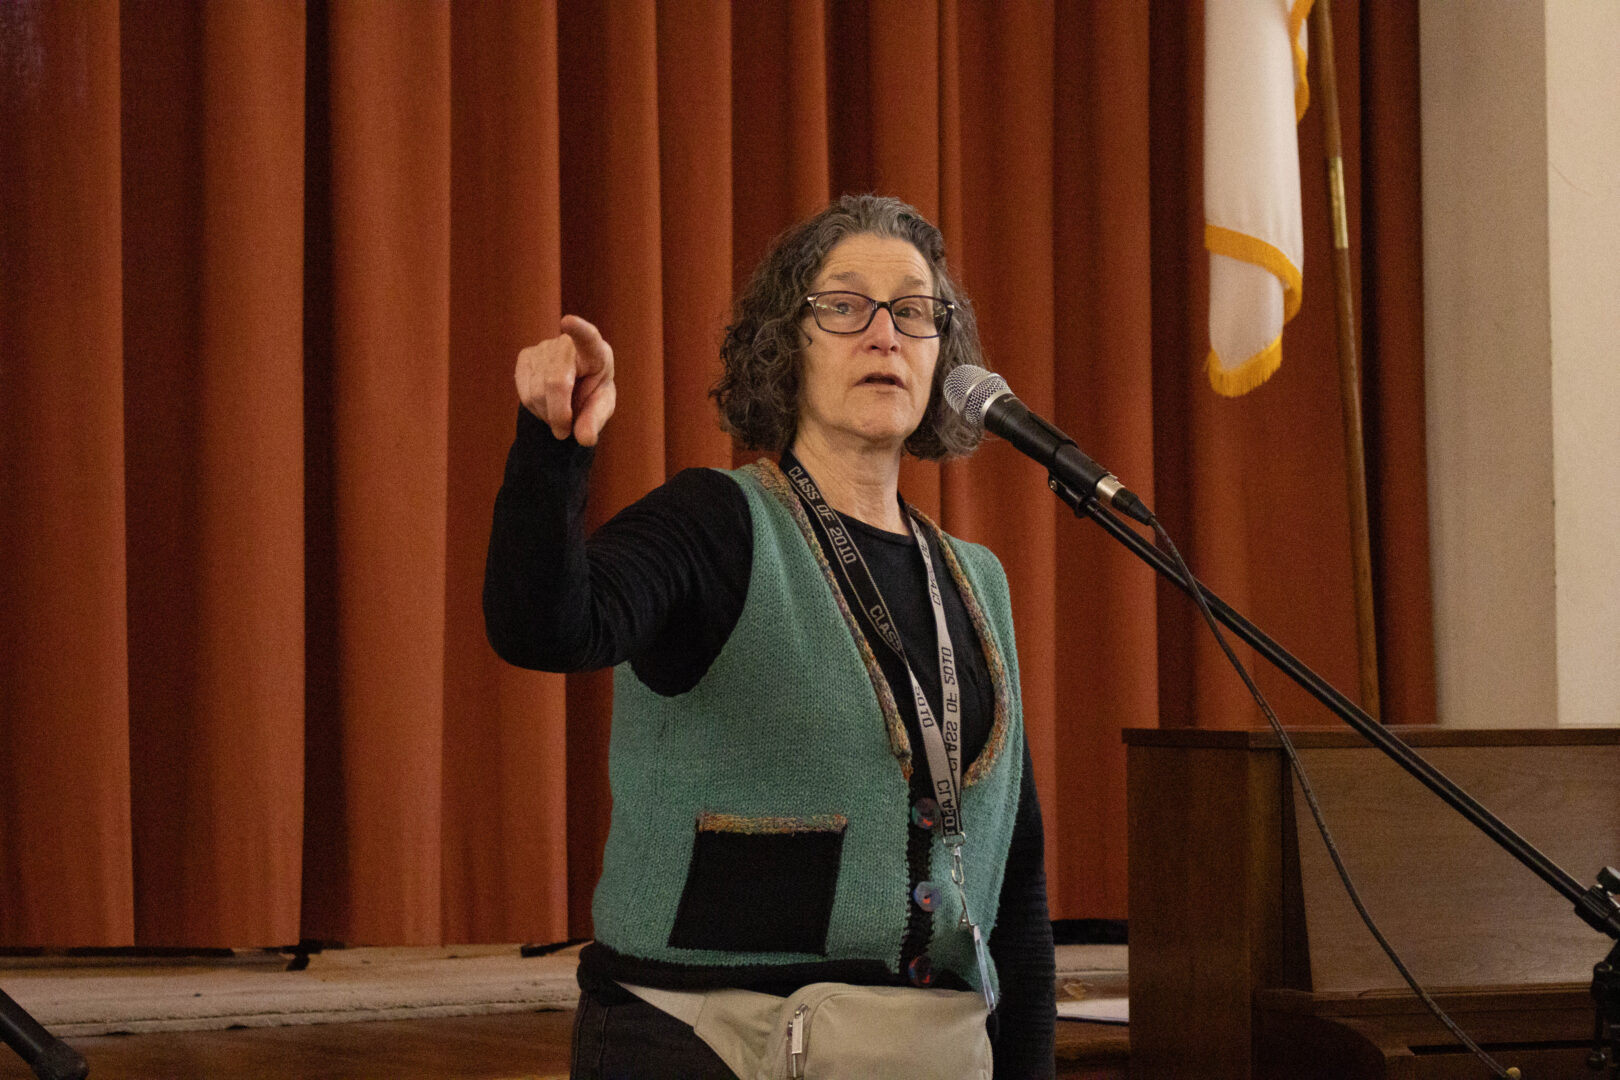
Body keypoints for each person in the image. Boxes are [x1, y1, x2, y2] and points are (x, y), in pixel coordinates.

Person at [484, 194, 1055, 1079]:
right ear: (786, 344)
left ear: (944, 356)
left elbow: (1014, 884)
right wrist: (553, 447)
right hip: (705, 1040)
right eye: (844, 306)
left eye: (912, 310)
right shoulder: (715, 524)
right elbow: (544, 628)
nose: (884, 334)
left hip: (922, 1047)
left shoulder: (976, 581)